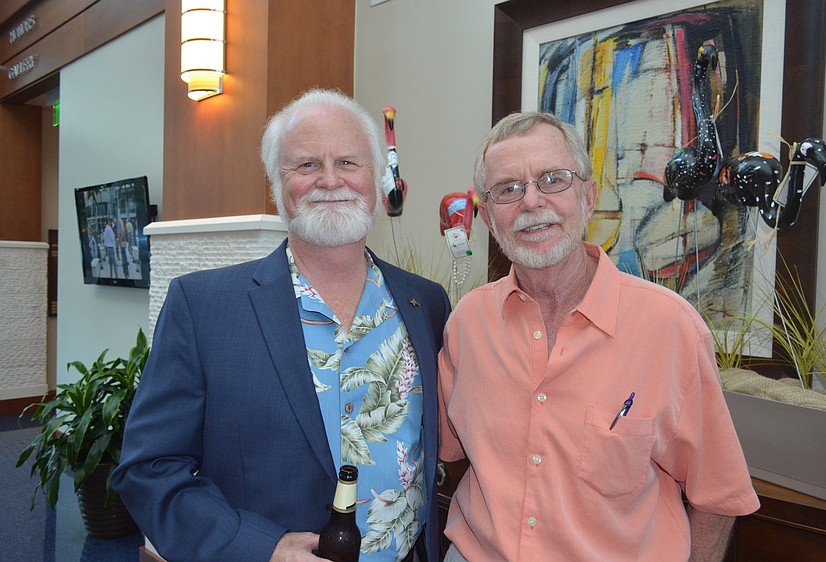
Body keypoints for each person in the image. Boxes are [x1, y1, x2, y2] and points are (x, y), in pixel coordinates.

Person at [112, 89, 451, 562]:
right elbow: (149, 469)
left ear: (379, 181)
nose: (330, 180)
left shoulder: (427, 303)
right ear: (276, 185)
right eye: (306, 165)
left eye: (349, 163)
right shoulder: (204, 308)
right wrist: (260, 547)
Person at [437, 112, 760, 562]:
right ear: (489, 220)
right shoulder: (467, 325)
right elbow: (452, 455)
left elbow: (718, 498)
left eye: (553, 179)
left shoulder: (671, 330)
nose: (531, 202)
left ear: (588, 199)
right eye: (508, 189)